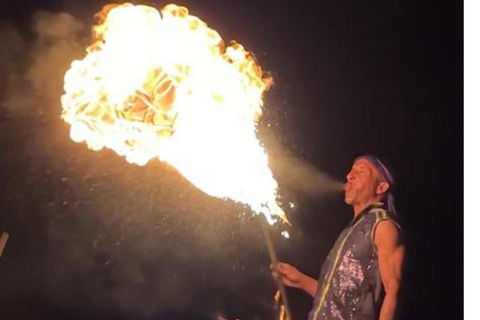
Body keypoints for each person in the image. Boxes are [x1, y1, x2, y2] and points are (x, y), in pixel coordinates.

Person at [274, 156, 404, 320]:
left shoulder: (383, 225)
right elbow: (335, 300)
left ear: (381, 187)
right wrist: (300, 280)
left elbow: (394, 290)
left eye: (361, 171)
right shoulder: (349, 231)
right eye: (351, 170)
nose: (350, 175)